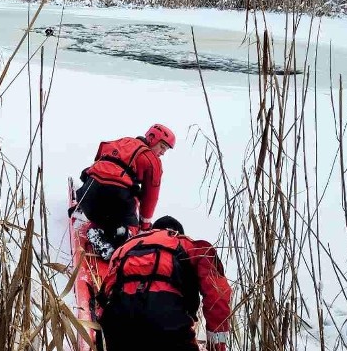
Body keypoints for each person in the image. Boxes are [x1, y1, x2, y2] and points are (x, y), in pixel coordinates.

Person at [96, 216, 231, 351]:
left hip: (119, 321)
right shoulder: (187, 244)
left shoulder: (125, 248)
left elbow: (105, 294)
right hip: (167, 320)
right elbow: (217, 292)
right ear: (177, 232)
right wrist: (217, 344)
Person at [74, 124, 175, 260]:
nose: (163, 152)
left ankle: (98, 228)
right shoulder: (153, 160)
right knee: (131, 238)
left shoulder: (121, 142)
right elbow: (151, 197)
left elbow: (98, 164)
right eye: (162, 146)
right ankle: (112, 240)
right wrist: (144, 227)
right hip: (116, 197)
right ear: (151, 138)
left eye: (166, 150)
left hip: (87, 196)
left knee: (112, 210)